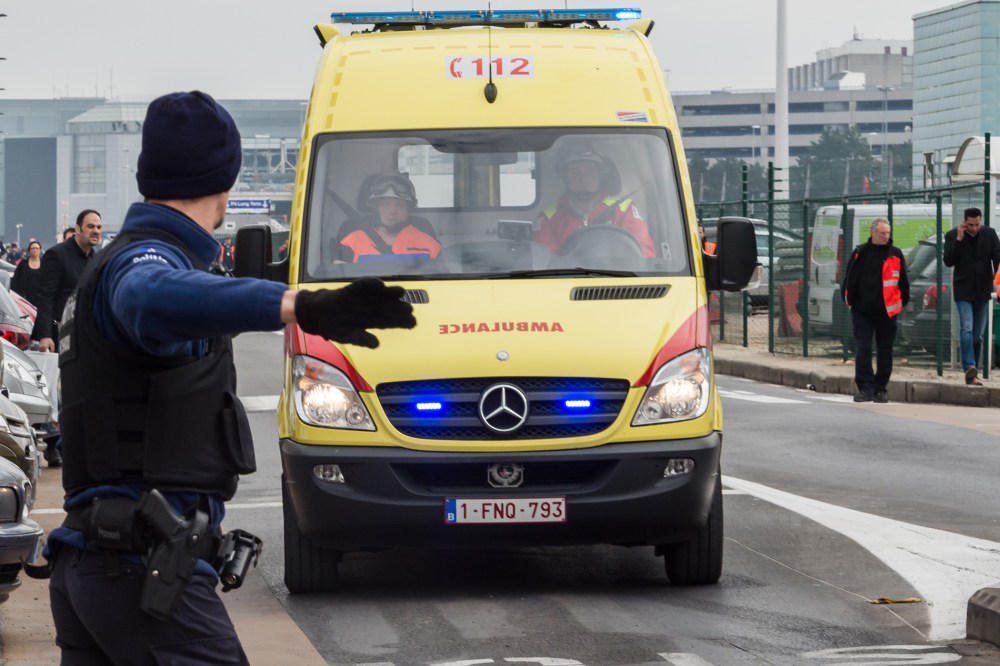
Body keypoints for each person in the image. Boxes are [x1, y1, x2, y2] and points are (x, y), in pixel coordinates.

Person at [44, 90, 416, 665]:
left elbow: (188, 310)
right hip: (140, 572)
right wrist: (299, 305)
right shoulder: (141, 263)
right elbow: (155, 298)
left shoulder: (117, 261)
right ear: (223, 179)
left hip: (102, 565)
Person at [533, 140, 656, 257]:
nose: (583, 179)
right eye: (575, 172)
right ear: (565, 177)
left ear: (600, 175)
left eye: (590, 171)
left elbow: (644, 254)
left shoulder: (624, 210)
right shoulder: (548, 219)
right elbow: (544, 266)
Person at [841, 217, 910, 403]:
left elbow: (903, 281)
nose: (886, 236)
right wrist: (849, 301)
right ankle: (865, 388)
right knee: (863, 349)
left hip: (887, 312)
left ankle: (881, 388)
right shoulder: (860, 253)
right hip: (862, 311)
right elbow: (849, 278)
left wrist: (903, 301)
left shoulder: (895, 254)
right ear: (873, 233)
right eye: (882, 233)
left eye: (888, 233)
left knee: (885, 351)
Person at [31, 209, 103, 354]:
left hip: (85, 335)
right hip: (58, 334)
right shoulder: (57, 255)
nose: (96, 231)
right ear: (78, 229)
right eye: (90, 226)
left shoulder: (96, 259)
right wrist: (45, 335)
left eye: (99, 227)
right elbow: (45, 297)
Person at [943, 206, 1000, 385]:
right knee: (966, 328)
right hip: (963, 290)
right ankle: (969, 366)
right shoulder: (953, 235)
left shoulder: (989, 234)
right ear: (964, 222)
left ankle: (972, 373)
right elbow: (948, 260)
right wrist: (959, 239)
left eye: (977, 224)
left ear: (980, 221)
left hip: (982, 290)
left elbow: (998, 260)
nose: (974, 228)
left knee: (978, 336)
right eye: (970, 225)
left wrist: (998, 287)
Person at [337, 173, 441, 262]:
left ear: (408, 209)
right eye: (385, 204)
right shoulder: (351, 243)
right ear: (375, 208)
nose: (393, 211)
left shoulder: (428, 243)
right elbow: (338, 279)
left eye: (400, 204)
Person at [10, 239, 43, 305]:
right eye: (33, 248)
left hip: (41, 298)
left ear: (40, 250)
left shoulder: (45, 264)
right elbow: (15, 280)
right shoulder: (23, 264)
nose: (35, 250)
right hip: (25, 298)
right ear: (29, 250)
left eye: (37, 248)